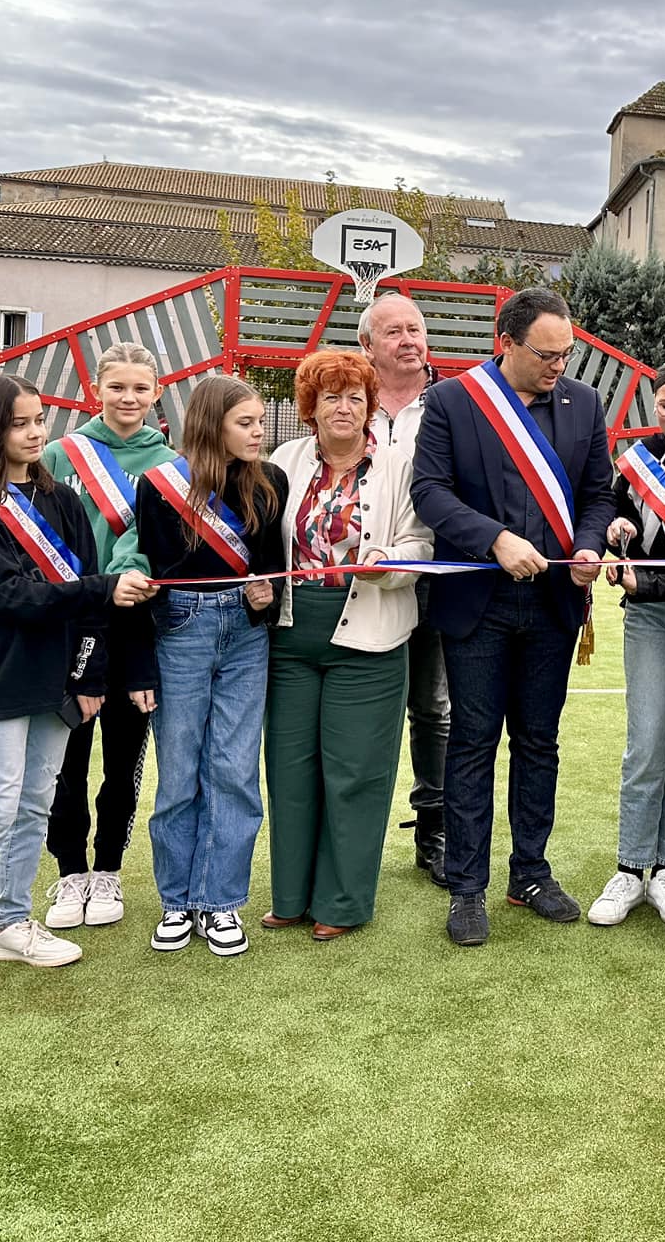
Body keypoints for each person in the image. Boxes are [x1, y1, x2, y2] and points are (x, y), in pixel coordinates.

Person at [0, 374, 153, 1001]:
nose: (35, 432)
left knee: (36, 803)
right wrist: (98, 592)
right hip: (5, 675)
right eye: (20, 423)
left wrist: (90, 673)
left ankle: (10, 922)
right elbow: (7, 596)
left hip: (61, 677)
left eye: (39, 420)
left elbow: (89, 589)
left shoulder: (61, 497)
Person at [411, 287, 614, 947]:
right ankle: (467, 887)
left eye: (566, 354)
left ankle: (529, 872)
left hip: (554, 605)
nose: (559, 365)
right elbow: (429, 491)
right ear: (508, 341)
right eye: (546, 354)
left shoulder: (583, 403)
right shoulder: (451, 401)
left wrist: (589, 543)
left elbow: (598, 492)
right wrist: (493, 539)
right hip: (478, 606)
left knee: (539, 743)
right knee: (471, 745)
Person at [113, 375, 288, 959]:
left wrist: (266, 600)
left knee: (234, 771)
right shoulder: (161, 487)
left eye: (261, 421)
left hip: (246, 637)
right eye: (246, 423)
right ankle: (177, 899)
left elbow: (270, 569)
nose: (259, 431)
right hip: (178, 633)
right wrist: (139, 669)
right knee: (180, 770)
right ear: (211, 426)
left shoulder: (272, 482)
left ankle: (221, 901)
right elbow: (148, 575)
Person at [263, 350, 434, 941]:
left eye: (355, 397)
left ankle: (342, 901)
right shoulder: (283, 460)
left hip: (372, 634)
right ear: (310, 405)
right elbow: (260, 537)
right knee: (290, 769)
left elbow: (422, 542)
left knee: (355, 773)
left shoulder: (402, 464)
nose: (344, 407)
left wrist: (389, 564)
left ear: (369, 407)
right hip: (289, 636)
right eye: (331, 396)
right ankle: (290, 895)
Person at [37, 341, 175, 934]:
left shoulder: (170, 459)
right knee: (66, 759)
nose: (129, 398)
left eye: (140, 388)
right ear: (98, 390)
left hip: (136, 629)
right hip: (70, 624)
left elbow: (165, 542)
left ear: (157, 393)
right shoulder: (59, 455)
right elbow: (37, 536)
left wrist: (128, 576)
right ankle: (70, 870)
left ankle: (109, 870)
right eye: (117, 387)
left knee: (123, 763)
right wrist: (95, 586)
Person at [588, 359, 665, 928]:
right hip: (648, 615)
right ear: (653, 406)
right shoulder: (637, 460)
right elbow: (614, 509)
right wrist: (618, 527)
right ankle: (630, 867)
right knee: (647, 745)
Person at [361, 291, 450, 886]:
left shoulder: (452, 403)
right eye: (393, 331)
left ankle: (434, 831)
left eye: (415, 328)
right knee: (364, 709)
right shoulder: (346, 402)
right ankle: (354, 837)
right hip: (359, 582)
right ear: (367, 345)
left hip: (437, 576)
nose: (408, 339)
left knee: (435, 708)